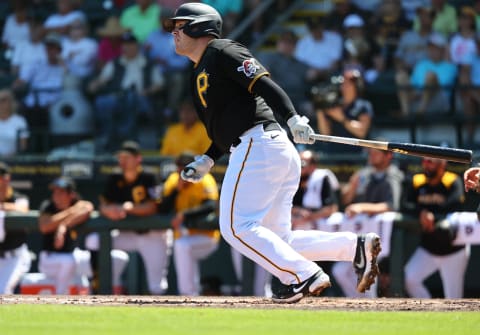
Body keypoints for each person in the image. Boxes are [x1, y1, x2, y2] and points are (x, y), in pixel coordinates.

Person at [163, 2, 382, 303]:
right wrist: (209, 158)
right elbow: (228, 124)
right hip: (265, 148)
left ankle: (302, 274)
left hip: (259, 146)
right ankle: (353, 248)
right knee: (280, 240)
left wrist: (292, 117)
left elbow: (264, 84)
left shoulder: (223, 50)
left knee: (235, 227)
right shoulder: (198, 70)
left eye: (180, 25)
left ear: (200, 26)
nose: (174, 32)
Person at [88, 140, 173, 294]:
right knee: (94, 240)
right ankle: (98, 284)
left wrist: (128, 208)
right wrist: (110, 211)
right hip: (127, 233)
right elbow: (102, 205)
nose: (123, 161)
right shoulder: (115, 178)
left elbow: (154, 207)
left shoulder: (149, 176)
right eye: (121, 157)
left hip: (152, 234)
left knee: (157, 287)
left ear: (138, 159)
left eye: (127, 157)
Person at [333, 147, 404, 298]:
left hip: (382, 237)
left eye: (375, 153)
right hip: (360, 234)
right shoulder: (365, 173)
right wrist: (352, 186)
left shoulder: (393, 175)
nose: (371, 155)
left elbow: (391, 206)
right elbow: (346, 201)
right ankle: (358, 304)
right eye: (370, 152)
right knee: (339, 271)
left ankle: (370, 305)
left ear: (388, 156)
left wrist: (362, 207)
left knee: (365, 269)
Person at [402, 157, 469, 298]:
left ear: (442, 164)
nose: (426, 165)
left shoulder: (452, 180)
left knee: (453, 298)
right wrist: (421, 213)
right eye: (424, 161)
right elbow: (405, 205)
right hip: (428, 248)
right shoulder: (417, 181)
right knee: (409, 278)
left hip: (453, 249)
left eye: (430, 162)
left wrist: (434, 215)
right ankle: (430, 309)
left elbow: (455, 205)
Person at [87, 31, 164, 152]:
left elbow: (159, 83)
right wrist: (94, 84)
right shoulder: (115, 62)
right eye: (125, 44)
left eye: (130, 44)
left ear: (137, 46)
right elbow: (103, 79)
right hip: (118, 96)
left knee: (131, 99)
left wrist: (147, 91)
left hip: (141, 97)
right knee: (102, 102)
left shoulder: (148, 63)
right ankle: (106, 135)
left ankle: (123, 136)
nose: (127, 47)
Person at [158, 152, 220, 295]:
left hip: (206, 236)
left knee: (183, 245)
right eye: (179, 167)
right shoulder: (174, 179)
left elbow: (211, 205)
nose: (182, 171)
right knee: (183, 247)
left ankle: (188, 293)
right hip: (183, 234)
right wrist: (176, 191)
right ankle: (192, 293)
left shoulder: (204, 178)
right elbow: (162, 208)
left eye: (184, 167)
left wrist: (184, 215)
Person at [37, 176, 95, 294]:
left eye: (61, 192)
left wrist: (63, 226)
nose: (56, 195)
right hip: (49, 258)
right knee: (69, 261)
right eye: (55, 191)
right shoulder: (48, 206)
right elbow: (44, 226)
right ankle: (60, 296)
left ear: (71, 194)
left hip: (71, 254)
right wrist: (70, 212)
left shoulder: (76, 203)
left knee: (94, 260)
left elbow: (88, 207)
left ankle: (95, 295)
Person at [395, 32, 457, 116]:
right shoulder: (420, 64)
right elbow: (413, 85)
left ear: (442, 49)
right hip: (417, 97)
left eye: (435, 48)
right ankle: (406, 113)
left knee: (431, 75)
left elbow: (441, 87)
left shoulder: (450, 67)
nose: (432, 50)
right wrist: (416, 94)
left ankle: (421, 112)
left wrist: (419, 93)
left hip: (438, 101)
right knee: (400, 76)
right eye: (430, 48)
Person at [316, 69, 374, 154]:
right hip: (333, 155)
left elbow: (362, 132)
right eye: (343, 84)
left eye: (348, 84)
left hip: (356, 157)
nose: (343, 86)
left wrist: (342, 118)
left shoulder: (364, 105)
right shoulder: (334, 105)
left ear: (356, 86)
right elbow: (325, 134)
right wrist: (320, 110)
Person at [0, 162, 31, 294]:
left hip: (14, 257)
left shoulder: (18, 197)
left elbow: (23, 209)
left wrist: (3, 206)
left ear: (6, 179)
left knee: (3, 291)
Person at [0, 89, 29, 157]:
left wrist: (11, 156)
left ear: (11, 102)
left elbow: (23, 146)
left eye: (3, 100)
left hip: (13, 161)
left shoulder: (20, 121)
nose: (0, 103)